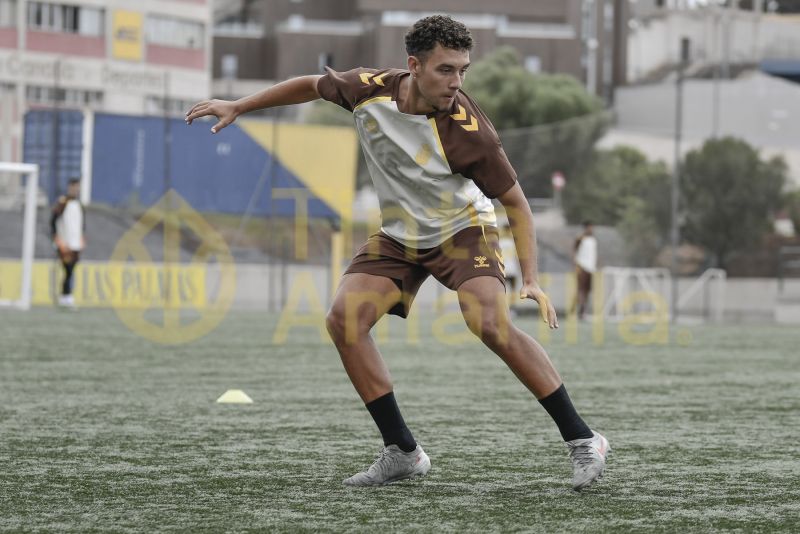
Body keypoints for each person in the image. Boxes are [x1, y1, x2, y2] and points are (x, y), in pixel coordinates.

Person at [186, 15, 610, 491]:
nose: (456, 82)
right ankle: (403, 451)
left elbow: (516, 204)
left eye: (463, 70)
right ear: (414, 65)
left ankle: (583, 438)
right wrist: (239, 105)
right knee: (343, 321)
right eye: (446, 69)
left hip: (462, 229)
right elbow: (309, 85)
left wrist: (529, 278)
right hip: (400, 235)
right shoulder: (368, 89)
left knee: (489, 324)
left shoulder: (470, 133)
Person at [50, 178, 85, 309]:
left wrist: (82, 238)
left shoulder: (79, 204)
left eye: (77, 187)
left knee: (71, 269)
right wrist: (56, 238)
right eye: (74, 187)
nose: (76, 189)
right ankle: (66, 296)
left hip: (76, 243)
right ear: (69, 187)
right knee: (68, 269)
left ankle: (66, 296)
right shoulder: (63, 202)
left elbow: (81, 224)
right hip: (65, 243)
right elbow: (53, 220)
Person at [571, 221, 598, 321]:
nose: (591, 229)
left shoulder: (593, 240)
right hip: (582, 267)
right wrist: (576, 264)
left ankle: (582, 312)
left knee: (587, 291)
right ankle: (577, 311)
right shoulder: (580, 238)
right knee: (581, 290)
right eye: (589, 227)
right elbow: (574, 251)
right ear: (585, 228)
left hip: (591, 268)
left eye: (592, 227)